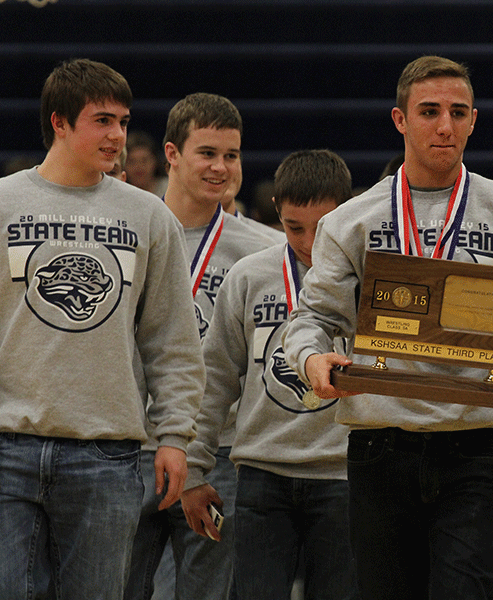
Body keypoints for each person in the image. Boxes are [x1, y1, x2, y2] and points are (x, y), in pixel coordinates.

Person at [281, 55, 493, 600]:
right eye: (430, 111)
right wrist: (312, 359)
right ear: (400, 120)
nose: (445, 126)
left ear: (474, 120)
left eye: (458, 112)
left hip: (478, 446)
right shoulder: (351, 222)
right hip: (379, 446)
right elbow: (313, 318)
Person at [0, 58, 204, 599]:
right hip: (7, 445)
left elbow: (173, 342)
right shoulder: (3, 203)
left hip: (106, 451)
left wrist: (175, 437)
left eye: (123, 120)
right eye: (102, 121)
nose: (118, 135)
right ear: (59, 122)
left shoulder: (149, 216)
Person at [179, 149, 359, 600]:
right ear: (276, 210)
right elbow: (216, 376)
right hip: (261, 472)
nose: (309, 241)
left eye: (324, 227)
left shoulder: (372, 279)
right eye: (294, 227)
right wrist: (196, 471)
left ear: (349, 212)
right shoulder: (249, 276)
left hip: (344, 473)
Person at [125, 92, 274, 600]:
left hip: (217, 455)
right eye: (206, 153)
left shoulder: (259, 251)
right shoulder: (131, 233)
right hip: (129, 447)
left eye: (230, 155)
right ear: (171, 154)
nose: (221, 167)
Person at [125, 129, 167, 197]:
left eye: (144, 161)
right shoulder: (119, 193)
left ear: (155, 161)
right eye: (132, 161)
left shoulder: (169, 188)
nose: (138, 167)